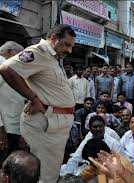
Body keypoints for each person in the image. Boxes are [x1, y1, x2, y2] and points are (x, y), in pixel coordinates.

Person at [0, 24, 76, 183]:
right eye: (67, 45)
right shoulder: (39, 52)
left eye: (71, 46)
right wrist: (34, 98)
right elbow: (7, 69)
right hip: (46, 123)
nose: (69, 51)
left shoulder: (54, 57)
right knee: (42, 176)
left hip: (55, 124)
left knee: (50, 172)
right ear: (54, 38)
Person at [0, 41, 26, 166]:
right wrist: (0, 130)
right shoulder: (2, 63)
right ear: (9, 52)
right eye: (20, 55)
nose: (22, 59)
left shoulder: (10, 66)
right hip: (5, 129)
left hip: (11, 129)